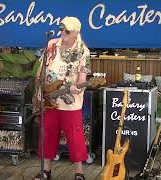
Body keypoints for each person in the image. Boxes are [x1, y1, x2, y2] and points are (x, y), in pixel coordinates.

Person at [34, 17, 91, 180]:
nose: (63, 33)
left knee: (75, 137)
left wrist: (77, 87)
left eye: (67, 31)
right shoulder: (52, 44)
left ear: (76, 33)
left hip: (70, 102)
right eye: (62, 29)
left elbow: (83, 77)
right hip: (48, 99)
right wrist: (40, 90)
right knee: (48, 134)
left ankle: (79, 173)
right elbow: (41, 69)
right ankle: (46, 171)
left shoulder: (83, 51)